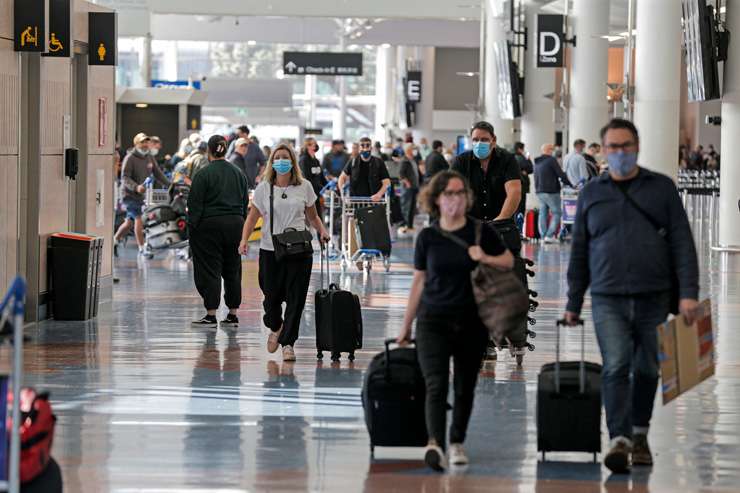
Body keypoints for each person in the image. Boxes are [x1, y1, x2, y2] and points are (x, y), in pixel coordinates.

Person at [564, 118, 699, 474]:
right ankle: (619, 438)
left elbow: (683, 243)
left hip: (654, 296)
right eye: (613, 147)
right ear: (603, 151)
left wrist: (688, 294)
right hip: (607, 296)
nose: (620, 153)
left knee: (646, 368)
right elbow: (579, 250)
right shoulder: (592, 192)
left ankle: (639, 433)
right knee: (617, 364)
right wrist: (573, 303)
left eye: (626, 146)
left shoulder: (662, 188)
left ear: (637, 147)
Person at [397, 170, 514, 471]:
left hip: (472, 321)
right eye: (449, 194)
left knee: (465, 385)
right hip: (433, 320)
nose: (455, 200)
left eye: (460, 193)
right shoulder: (428, 236)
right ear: (437, 199)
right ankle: (435, 442)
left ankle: (457, 440)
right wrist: (406, 324)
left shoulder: (480, 232)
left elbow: (508, 261)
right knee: (435, 383)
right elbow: (419, 281)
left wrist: (484, 257)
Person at [239, 144, 331, 362]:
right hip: (270, 251)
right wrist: (244, 239)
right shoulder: (264, 188)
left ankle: (288, 343)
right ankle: (276, 326)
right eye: (277, 157)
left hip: (299, 251)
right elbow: (252, 218)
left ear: (293, 162)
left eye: (285, 157)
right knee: (270, 297)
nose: (281, 160)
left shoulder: (305, 186)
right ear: (272, 162)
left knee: (296, 299)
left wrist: (322, 231)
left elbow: (313, 216)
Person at [188, 135, 249, 328]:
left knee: (210, 269)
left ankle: (211, 314)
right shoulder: (238, 173)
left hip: (209, 227)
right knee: (233, 269)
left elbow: (194, 205)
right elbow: (244, 203)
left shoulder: (203, 174)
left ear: (209, 151)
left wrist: (194, 229)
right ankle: (232, 314)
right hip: (236, 225)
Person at [451, 121, 522, 250]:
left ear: (493, 140)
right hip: (469, 226)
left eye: (484, 139)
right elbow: (451, 193)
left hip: (501, 227)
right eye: (475, 140)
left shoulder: (507, 160)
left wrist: (498, 222)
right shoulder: (461, 162)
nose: (479, 143)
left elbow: (514, 192)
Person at [114, 133, 170, 257]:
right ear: (136, 144)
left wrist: (169, 184)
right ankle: (142, 248)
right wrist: (136, 187)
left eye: (146, 142)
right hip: (129, 195)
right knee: (138, 218)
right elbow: (125, 177)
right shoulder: (130, 158)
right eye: (142, 142)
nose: (145, 145)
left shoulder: (149, 157)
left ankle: (115, 240)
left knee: (129, 223)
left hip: (140, 195)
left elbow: (158, 173)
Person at [534, 144, 572, 243]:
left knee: (543, 214)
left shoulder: (537, 161)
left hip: (539, 191)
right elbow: (560, 174)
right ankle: (549, 235)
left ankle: (543, 236)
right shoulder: (551, 160)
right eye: (552, 149)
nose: (553, 151)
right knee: (557, 213)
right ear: (548, 150)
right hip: (551, 191)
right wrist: (570, 184)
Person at [337, 137, 391, 201]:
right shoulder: (353, 162)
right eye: (362, 145)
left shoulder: (379, 162)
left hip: (374, 201)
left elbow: (387, 182)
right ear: (359, 148)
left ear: (371, 147)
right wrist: (342, 193)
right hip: (356, 202)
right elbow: (342, 177)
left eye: (367, 145)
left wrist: (379, 194)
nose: (365, 149)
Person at [299, 137, 327, 218]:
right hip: (307, 193)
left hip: (317, 193)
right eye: (313, 143)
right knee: (309, 217)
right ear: (308, 146)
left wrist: (327, 186)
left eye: (315, 143)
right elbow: (306, 178)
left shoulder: (316, 161)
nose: (315, 145)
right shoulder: (303, 160)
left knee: (318, 216)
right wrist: (321, 187)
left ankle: (320, 231)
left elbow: (321, 176)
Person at [399, 143, 421, 234]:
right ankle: (406, 225)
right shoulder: (404, 160)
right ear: (408, 150)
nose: (414, 150)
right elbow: (401, 174)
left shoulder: (413, 160)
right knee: (407, 207)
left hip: (415, 186)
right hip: (408, 188)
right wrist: (407, 183)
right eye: (412, 149)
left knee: (412, 207)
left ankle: (410, 225)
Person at [513, 142, 533, 216]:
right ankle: (519, 226)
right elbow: (531, 168)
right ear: (519, 149)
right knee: (520, 208)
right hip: (522, 185)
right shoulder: (521, 158)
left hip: (514, 186)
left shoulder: (512, 157)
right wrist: (528, 159)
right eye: (523, 149)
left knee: (515, 207)